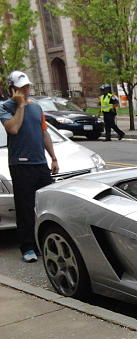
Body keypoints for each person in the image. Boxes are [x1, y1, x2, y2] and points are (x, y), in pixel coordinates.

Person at [0, 71, 59, 262]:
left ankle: (42, 242)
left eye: (27, 87)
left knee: (47, 206)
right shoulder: (5, 107)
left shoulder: (37, 107)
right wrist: (20, 106)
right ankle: (27, 247)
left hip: (40, 164)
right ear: (12, 89)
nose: (26, 91)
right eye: (22, 88)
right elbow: (13, 128)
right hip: (21, 165)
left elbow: (44, 133)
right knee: (25, 208)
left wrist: (53, 157)